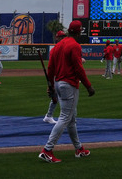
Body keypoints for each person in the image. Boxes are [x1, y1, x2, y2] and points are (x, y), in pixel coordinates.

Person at [38, 20, 95, 163]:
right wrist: (88, 86)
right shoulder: (74, 45)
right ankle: (47, 150)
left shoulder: (58, 46)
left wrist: (51, 86)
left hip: (58, 83)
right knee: (65, 118)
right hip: (69, 84)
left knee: (71, 119)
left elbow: (51, 68)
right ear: (78, 32)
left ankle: (79, 148)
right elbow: (78, 68)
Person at [44, 30, 67, 124]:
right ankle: (51, 116)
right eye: (61, 37)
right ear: (57, 38)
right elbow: (52, 66)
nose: (63, 38)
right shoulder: (55, 50)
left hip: (61, 75)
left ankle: (49, 116)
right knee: (58, 97)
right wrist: (50, 84)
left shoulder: (63, 48)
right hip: (57, 75)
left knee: (56, 97)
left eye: (64, 37)